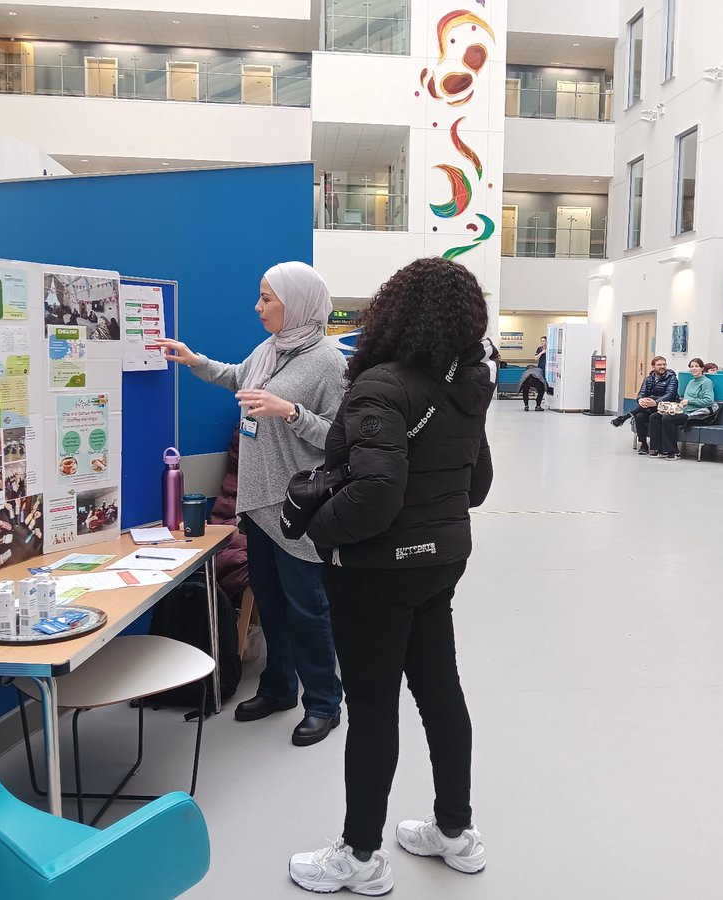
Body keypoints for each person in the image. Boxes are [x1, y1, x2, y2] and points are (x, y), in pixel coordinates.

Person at [288, 257, 494, 895]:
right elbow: (478, 484)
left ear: (396, 310)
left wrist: (319, 529)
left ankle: (358, 858)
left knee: (373, 711)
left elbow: (374, 496)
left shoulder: (380, 386)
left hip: (375, 575)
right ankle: (455, 834)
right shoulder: (466, 386)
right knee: (440, 694)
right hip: (441, 563)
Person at [154, 261, 347, 748]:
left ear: (298, 302)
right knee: (273, 604)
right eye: (260, 297)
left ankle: (324, 702)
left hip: (298, 508)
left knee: (308, 608)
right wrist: (193, 359)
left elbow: (342, 440)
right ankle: (279, 688)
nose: (258, 307)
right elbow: (236, 376)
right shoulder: (267, 350)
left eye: (267, 298)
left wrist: (293, 413)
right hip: (258, 504)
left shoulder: (330, 361)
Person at [649, 357, 715, 460]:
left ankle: (673, 451)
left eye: (696, 366)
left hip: (694, 415)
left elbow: (709, 401)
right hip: (683, 411)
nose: (693, 369)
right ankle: (659, 449)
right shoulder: (691, 382)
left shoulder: (707, 382)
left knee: (667, 418)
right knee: (655, 416)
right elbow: (684, 400)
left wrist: (689, 401)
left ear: (702, 368)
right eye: (691, 367)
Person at [610, 356, 679, 455]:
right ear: (653, 366)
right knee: (639, 416)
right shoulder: (648, 379)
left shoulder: (672, 379)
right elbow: (641, 393)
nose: (662, 366)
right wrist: (641, 400)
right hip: (649, 406)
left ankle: (624, 417)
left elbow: (670, 394)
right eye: (659, 364)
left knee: (653, 399)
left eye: (664, 364)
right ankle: (643, 444)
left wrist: (656, 402)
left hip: (665, 407)